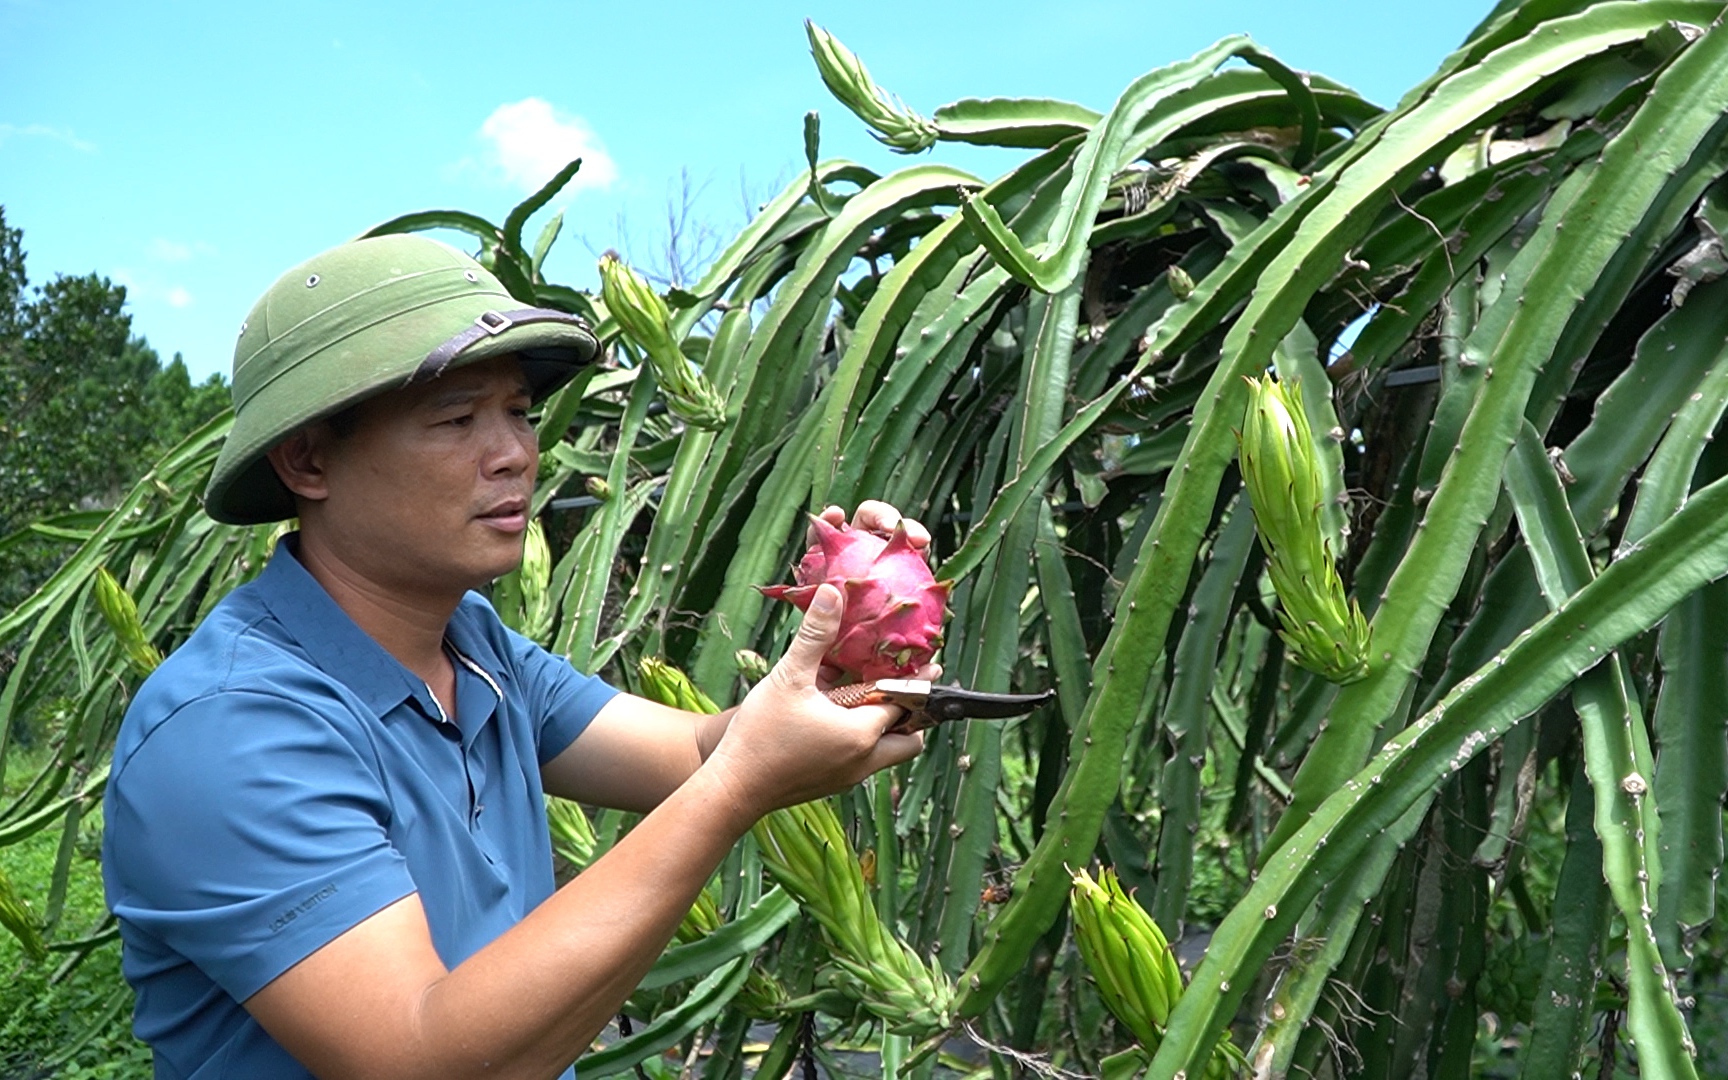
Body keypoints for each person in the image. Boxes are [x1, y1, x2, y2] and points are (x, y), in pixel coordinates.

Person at [101, 234, 930, 1079]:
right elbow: (422, 1059)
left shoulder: (472, 643)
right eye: (459, 419)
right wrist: (737, 789)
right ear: (308, 459)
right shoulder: (232, 729)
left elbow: (693, 751)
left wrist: (849, 649)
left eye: (520, 413)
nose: (516, 454)